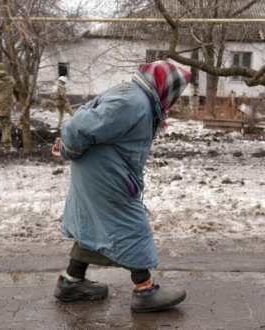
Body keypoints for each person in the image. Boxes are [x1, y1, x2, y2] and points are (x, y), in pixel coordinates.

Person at [51, 60, 191, 313]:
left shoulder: (136, 98)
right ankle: (144, 291)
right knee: (130, 224)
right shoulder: (132, 102)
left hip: (101, 169)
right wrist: (67, 148)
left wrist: (69, 149)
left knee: (96, 221)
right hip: (105, 173)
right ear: (165, 86)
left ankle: (71, 283)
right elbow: (78, 126)